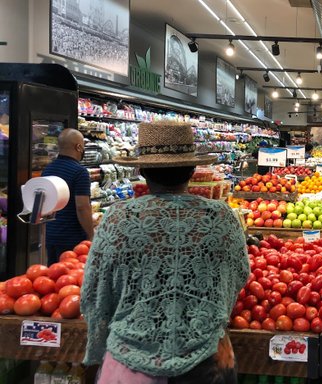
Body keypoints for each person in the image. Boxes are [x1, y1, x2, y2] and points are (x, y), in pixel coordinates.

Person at [81, 122, 249, 383]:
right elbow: (238, 276)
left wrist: (98, 346)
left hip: (131, 363)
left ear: (142, 170)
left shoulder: (118, 219)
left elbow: (95, 291)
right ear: (193, 169)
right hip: (208, 362)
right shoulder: (223, 217)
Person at [41, 128, 93, 265]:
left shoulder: (48, 169)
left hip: (51, 234)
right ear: (79, 147)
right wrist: (92, 235)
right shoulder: (80, 172)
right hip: (72, 237)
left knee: (53, 277)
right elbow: (82, 207)